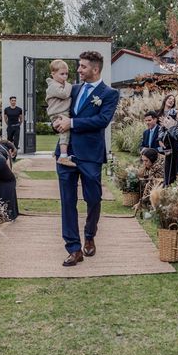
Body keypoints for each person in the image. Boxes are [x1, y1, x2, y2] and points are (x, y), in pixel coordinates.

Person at [54, 51, 119, 266]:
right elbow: (60, 109)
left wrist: (71, 123)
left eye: (83, 66)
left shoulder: (109, 93)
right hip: (66, 153)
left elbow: (102, 120)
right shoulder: (73, 89)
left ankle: (90, 234)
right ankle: (73, 248)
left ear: (95, 69)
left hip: (90, 155)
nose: (79, 70)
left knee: (93, 199)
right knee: (67, 202)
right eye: (79, 66)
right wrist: (58, 122)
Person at [46, 59, 76, 167]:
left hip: (61, 112)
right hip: (59, 113)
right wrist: (69, 85)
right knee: (65, 133)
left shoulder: (58, 84)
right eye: (62, 74)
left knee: (63, 133)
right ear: (53, 74)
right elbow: (64, 94)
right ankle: (63, 156)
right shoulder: (53, 86)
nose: (65, 77)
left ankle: (58, 152)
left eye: (66, 74)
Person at [158, 94, 178, 185]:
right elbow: (160, 128)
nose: (171, 100)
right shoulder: (159, 113)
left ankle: (170, 183)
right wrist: (159, 139)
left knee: (172, 163)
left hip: (172, 140)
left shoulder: (175, 112)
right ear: (165, 99)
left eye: (173, 100)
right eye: (169, 98)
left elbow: (175, 126)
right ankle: (167, 183)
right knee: (168, 163)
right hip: (164, 140)